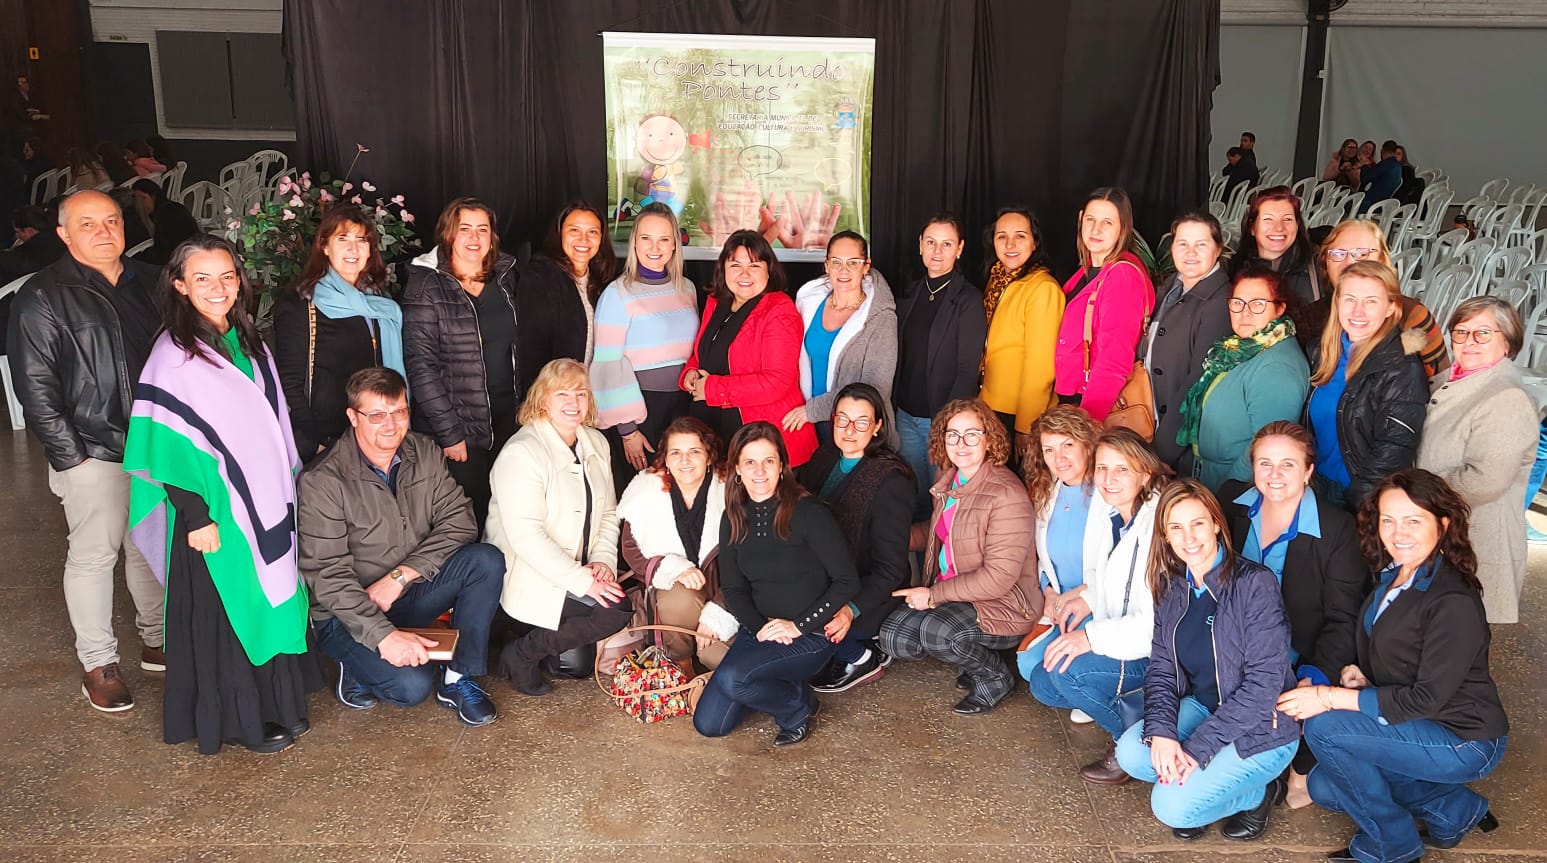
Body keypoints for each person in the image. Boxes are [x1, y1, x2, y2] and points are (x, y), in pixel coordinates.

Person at [124, 235, 319, 754]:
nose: (218, 288)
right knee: (228, 611)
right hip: (213, 513)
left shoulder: (247, 339)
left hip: (263, 499)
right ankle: (238, 721)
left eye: (227, 277)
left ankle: (277, 705)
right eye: (203, 278)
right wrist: (195, 517)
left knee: (268, 595)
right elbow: (163, 445)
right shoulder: (173, 356)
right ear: (180, 285)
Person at [1280, 470, 1509, 863]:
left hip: (1464, 738)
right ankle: (1453, 810)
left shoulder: (1452, 601)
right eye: (1388, 520)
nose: (1398, 532)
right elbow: (1405, 655)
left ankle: (1393, 846)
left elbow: (1426, 697)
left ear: (1443, 524)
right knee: (1323, 786)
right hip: (1419, 722)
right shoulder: (1396, 573)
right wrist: (1365, 677)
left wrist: (1328, 696)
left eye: (1413, 520)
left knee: (1324, 728)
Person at [6, 189, 165, 712]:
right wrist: (71, 457)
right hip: (94, 449)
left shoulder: (152, 281)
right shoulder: (44, 296)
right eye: (88, 223)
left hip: (155, 443)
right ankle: (99, 663)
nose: (103, 231)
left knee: (149, 545)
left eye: (112, 220)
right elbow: (35, 388)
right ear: (63, 234)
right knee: (95, 555)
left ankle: (158, 639)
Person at [299, 367, 502, 726]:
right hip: (347, 613)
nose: (391, 425)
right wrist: (384, 637)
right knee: (411, 687)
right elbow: (328, 576)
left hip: (408, 590)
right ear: (353, 417)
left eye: (399, 412)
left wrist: (401, 576)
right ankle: (355, 667)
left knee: (485, 561)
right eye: (377, 415)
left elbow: (460, 521)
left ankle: (457, 678)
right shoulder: (323, 480)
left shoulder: (423, 451)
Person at [1115, 479, 1300, 842]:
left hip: (1262, 727)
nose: (1189, 537)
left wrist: (1198, 750)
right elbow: (1162, 669)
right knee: (1132, 753)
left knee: (1171, 808)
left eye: (1198, 523)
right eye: (1176, 527)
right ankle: (1206, 786)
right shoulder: (1171, 585)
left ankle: (1259, 793)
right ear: (1165, 535)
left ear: (1216, 523)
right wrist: (1163, 733)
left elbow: (1264, 687)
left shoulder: (1254, 584)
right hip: (1204, 708)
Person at [1222, 421, 1369, 808]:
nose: (1274, 475)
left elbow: (1344, 618)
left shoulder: (1337, 528)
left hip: (1298, 650)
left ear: (1308, 471)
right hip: (1232, 644)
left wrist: (1314, 678)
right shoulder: (1230, 504)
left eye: (1287, 464)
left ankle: (1300, 765)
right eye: (1265, 463)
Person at [692, 422, 860, 747]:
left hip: (810, 634)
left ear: (782, 466)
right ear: (737, 469)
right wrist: (759, 629)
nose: (760, 470)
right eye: (750, 462)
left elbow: (847, 581)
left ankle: (796, 709)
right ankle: (789, 689)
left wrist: (797, 626)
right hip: (761, 631)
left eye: (768, 461)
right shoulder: (733, 518)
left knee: (733, 679)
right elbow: (734, 589)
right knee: (709, 724)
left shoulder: (809, 514)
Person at [882, 398, 1041, 715]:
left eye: (971, 434)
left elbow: (998, 578)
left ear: (989, 439)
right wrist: (891, 539)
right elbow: (941, 531)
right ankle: (969, 655)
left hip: (1005, 603)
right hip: (957, 593)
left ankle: (994, 677)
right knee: (895, 636)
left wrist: (933, 595)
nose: (961, 443)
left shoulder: (1006, 493)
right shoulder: (951, 478)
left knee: (938, 632)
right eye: (952, 434)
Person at [1026, 428, 1165, 784]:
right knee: (1042, 682)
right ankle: (1137, 704)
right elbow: (1105, 580)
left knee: (1067, 673)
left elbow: (1153, 625)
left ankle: (1135, 740)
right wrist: (1086, 600)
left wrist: (1088, 638)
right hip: (1119, 636)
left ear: (1145, 473)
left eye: (1122, 469)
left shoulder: (1159, 527)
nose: (1108, 478)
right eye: (1102, 468)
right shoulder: (1114, 515)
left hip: (1157, 653)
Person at [487, 359, 634, 696]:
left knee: (577, 666)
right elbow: (526, 538)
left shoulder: (596, 442)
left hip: (581, 571)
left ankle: (529, 645)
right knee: (614, 611)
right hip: (533, 574)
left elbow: (608, 513)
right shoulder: (522, 453)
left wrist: (602, 562)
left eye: (580, 393)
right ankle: (521, 653)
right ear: (542, 400)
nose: (574, 402)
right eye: (562, 394)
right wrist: (584, 581)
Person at [402, 197, 520, 528]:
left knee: (509, 513)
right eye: (464, 228)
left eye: (482, 229)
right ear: (448, 234)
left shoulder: (505, 276)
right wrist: (450, 433)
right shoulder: (426, 285)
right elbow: (420, 366)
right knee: (470, 519)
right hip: (460, 429)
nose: (474, 237)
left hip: (507, 418)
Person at [1417, 297, 1536, 624]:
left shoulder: (1506, 398)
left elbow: (1484, 480)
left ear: (1507, 341)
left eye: (1483, 333)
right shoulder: (1450, 379)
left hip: (1474, 541)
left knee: (1459, 633)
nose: (1469, 341)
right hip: (1440, 532)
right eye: (1461, 332)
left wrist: (1416, 494)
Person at [796, 383, 913, 693]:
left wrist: (851, 609)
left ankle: (861, 656)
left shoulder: (891, 480)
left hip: (866, 589)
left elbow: (890, 569)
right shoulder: (824, 455)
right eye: (842, 419)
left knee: (809, 618)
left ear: (877, 427)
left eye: (862, 422)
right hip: (824, 573)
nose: (849, 430)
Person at [274, 205, 403, 461]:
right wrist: (315, 444)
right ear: (324, 246)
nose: (353, 249)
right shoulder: (301, 305)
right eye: (343, 239)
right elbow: (289, 382)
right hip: (329, 443)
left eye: (361, 240)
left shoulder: (378, 303)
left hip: (377, 435)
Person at [681, 229, 816, 466]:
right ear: (723, 268)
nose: (744, 274)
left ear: (768, 270)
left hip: (765, 440)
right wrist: (690, 372)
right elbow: (705, 352)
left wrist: (711, 389)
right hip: (715, 429)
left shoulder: (779, 310)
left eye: (754, 265)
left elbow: (776, 382)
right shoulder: (716, 302)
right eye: (735, 265)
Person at [591, 201, 699, 493]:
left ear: (674, 244)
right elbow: (607, 365)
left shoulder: (687, 288)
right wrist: (628, 431)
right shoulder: (617, 294)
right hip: (641, 409)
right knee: (644, 494)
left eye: (664, 239)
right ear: (635, 243)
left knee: (680, 492)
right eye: (646, 238)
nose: (655, 247)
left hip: (683, 405)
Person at [1306, 261, 1428, 510]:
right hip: (1314, 485)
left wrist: (1359, 502)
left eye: (1371, 301)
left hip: (1357, 496)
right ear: (1337, 302)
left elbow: (1395, 446)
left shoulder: (1402, 367)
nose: (1357, 311)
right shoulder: (1321, 352)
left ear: (1390, 308)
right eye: (1350, 299)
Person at [1180, 266, 1309, 493]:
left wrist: (1229, 492)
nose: (1245, 313)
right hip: (1209, 476)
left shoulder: (1277, 366)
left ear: (1279, 309)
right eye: (1238, 303)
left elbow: (1266, 446)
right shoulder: (1240, 349)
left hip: (1235, 485)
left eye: (1258, 304)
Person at [893, 213, 987, 517]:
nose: (937, 251)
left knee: (941, 501)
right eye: (931, 242)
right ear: (920, 245)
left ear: (959, 249)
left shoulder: (968, 300)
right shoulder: (910, 292)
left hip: (940, 420)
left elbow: (966, 371)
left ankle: (937, 551)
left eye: (947, 244)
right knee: (915, 498)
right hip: (905, 416)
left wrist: (947, 425)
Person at [618, 417, 730, 669]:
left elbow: (751, 559)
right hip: (675, 594)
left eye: (694, 451)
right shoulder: (646, 490)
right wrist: (672, 567)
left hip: (726, 591)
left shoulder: (730, 491)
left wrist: (720, 608)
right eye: (675, 452)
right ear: (666, 458)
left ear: (709, 457)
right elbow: (631, 548)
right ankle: (680, 663)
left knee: (718, 659)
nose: (685, 460)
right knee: (679, 600)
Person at [785, 230, 899, 448]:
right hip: (810, 424)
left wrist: (812, 410)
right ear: (826, 265)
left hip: (854, 427)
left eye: (853, 263)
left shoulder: (880, 317)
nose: (843, 270)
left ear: (866, 266)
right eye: (836, 262)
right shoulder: (807, 303)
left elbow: (875, 388)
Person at [1053, 188, 1156, 422]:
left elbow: (1114, 359)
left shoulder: (1123, 277)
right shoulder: (1088, 270)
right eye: (1090, 219)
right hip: (1072, 397)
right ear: (1080, 219)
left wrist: (1088, 421)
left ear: (1123, 228)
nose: (1096, 229)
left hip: (1092, 404)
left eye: (1107, 222)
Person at [1146, 211, 1233, 472]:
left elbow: (1198, 380)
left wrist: (1163, 452)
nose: (1190, 252)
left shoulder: (1219, 303)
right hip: (1151, 422)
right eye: (1182, 243)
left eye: (1201, 244)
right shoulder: (1169, 288)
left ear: (1218, 249)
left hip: (1179, 443)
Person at [979, 206, 1065, 454]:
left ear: (1034, 242)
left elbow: (1040, 368)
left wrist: (1026, 427)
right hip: (988, 405)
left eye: (1020, 236)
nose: (1010, 244)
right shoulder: (997, 281)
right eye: (1002, 236)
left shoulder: (1043, 288)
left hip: (1015, 414)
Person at [1318, 219, 1446, 377]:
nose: (1350, 262)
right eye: (1338, 253)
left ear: (1382, 260)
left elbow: (1439, 383)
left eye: (1362, 253)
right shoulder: (1311, 317)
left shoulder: (1411, 316)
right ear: (1325, 262)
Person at [516, 200, 619, 393]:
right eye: (574, 230)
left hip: (593, 396)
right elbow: (531, 350)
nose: (583, 239)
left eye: (592, 232)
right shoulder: (540, 278)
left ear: (601, 238)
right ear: (560, 234)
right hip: (557, 396)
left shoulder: (602, 281)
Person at [1228, 186, 1323, 314]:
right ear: (1252, 227)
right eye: (1268, 219)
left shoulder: (1318, 267)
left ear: (1297, 225)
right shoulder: (1232, 270)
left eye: (1287, 219)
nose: (1279, 228)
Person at [129, 178, 199, 266]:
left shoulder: (166, 214)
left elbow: (165, 248)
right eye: (136, 199)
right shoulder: (164, 209)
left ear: (154, 196)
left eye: (144, 198)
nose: (140, 204)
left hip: (182, 257)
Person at [0, 203, 65, 282]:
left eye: (18, 232)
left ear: (29, 231)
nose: (18, 236)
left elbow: (20, 263)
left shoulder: (37, 250)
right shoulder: (60, 238)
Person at [1357, 140, 1403, 213]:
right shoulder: (1398, 167)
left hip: (1369, 203)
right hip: (1381, 204)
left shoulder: (1386, 164)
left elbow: (1365, 178)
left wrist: (1364, 164)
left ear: (1383, 151)